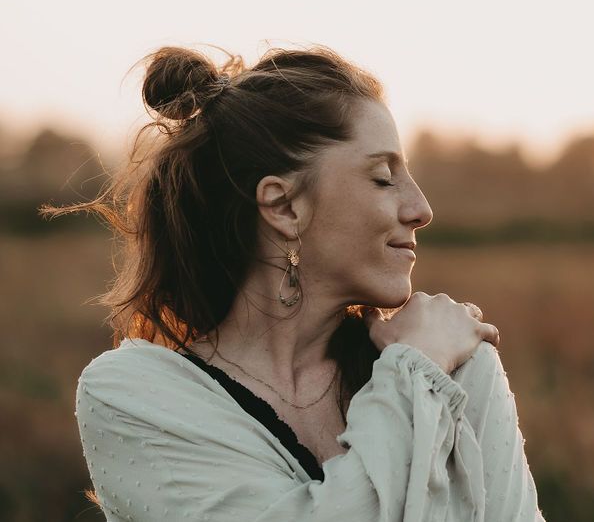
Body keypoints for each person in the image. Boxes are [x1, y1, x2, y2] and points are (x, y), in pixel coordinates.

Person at [55, 45, 545, 520]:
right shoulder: (136, 397)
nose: (421, 209)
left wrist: (425, 367)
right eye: (382, 177)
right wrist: (416, 372)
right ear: (284, 207)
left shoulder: (462, 363)